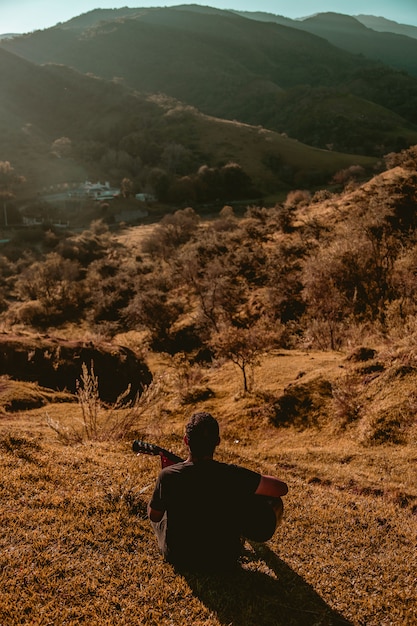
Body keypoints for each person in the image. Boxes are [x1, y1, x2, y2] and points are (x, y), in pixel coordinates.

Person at [148, 411, 288, 572]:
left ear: (186, 440)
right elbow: (281, 488)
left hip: (180, 557)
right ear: (218, 442)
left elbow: (155, 516)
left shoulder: (168, 476)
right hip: (224, 558)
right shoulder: (233, 475)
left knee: (155, 507)